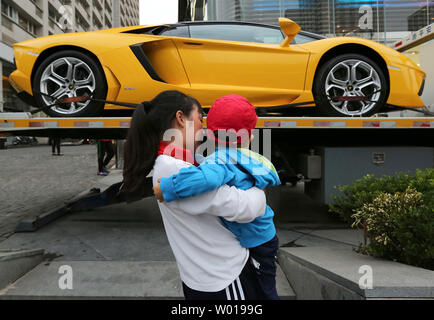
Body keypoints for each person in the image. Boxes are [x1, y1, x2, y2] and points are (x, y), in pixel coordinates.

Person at [121, 90, 267, 300]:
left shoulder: (178, 162)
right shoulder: (175, 169)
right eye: (200, 118)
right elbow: (246, 208)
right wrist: (259, 186)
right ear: (181, 118)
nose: (205, 128)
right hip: (224, 277)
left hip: (208, 275)